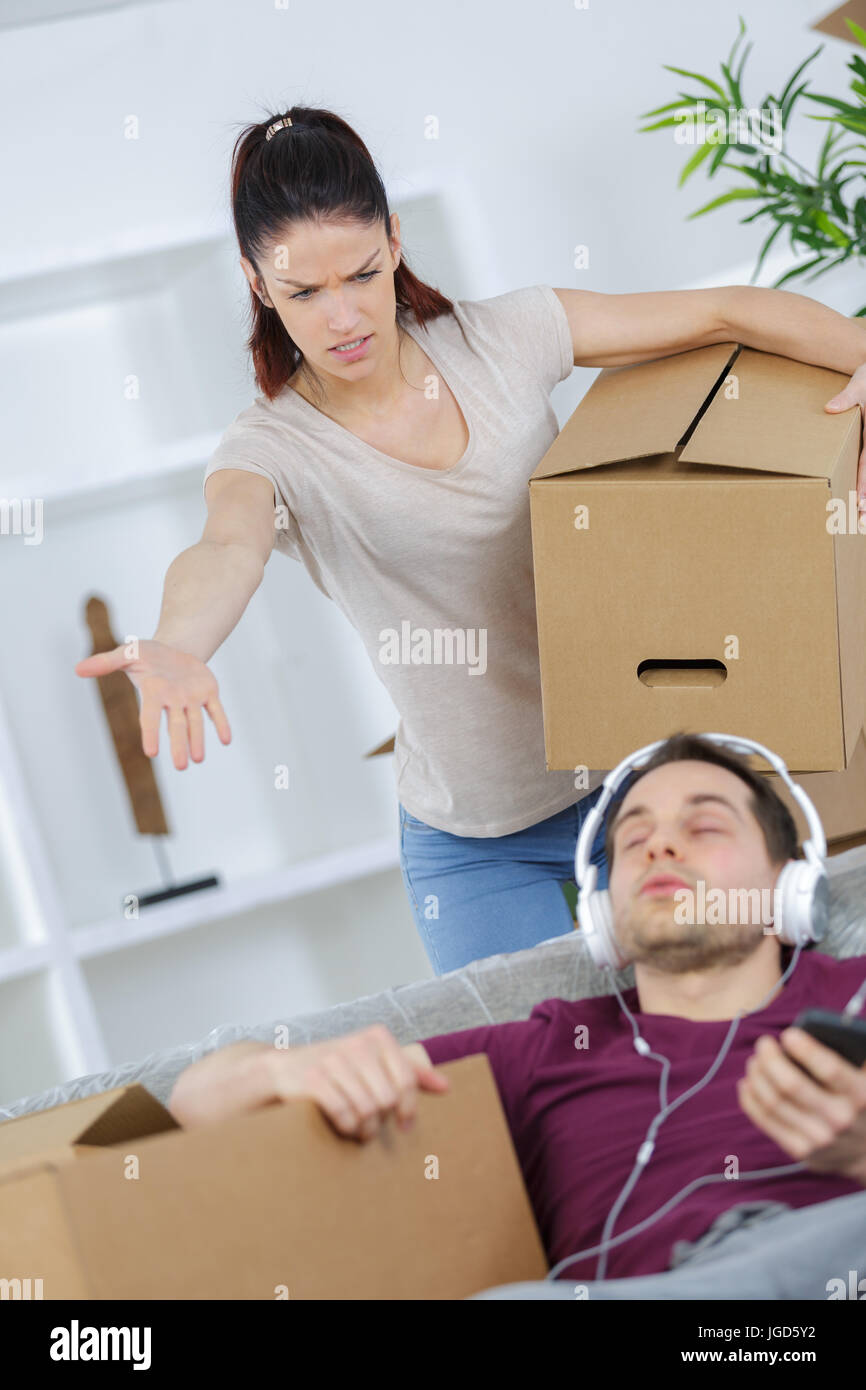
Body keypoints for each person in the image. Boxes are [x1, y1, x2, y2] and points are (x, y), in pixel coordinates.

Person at [73, 104, 866, 975]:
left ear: (397, 241)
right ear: (260, 286)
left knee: (734, 1035)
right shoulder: (270, 449)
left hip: (642, 786)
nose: (343, 317)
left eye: (363, 274)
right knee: (544, 1090)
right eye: (304, 292)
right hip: (477, 842)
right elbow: (227, 546)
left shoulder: (502, 338)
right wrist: (182, 643)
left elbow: (720, 312)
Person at [166, 732, 866, 1300]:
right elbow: (191, 1102)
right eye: (633, 839)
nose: (660, 845)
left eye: (705, 824)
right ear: (603, 916)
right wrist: (288, 1066)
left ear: (791, 885)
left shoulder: (856, 996)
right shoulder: (547, 1051)